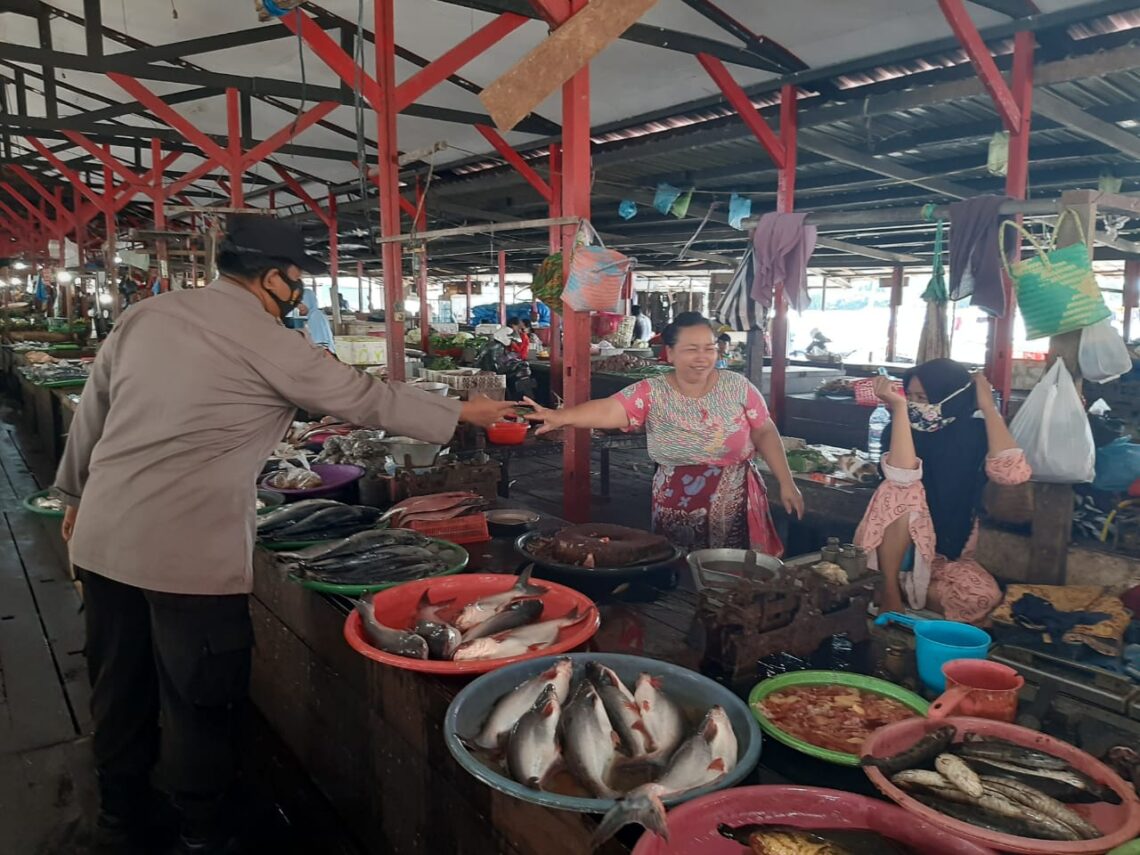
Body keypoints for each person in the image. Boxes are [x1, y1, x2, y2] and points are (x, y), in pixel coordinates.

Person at [55, 215, 515, 855]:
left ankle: (118, 821)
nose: (299, 293)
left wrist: (74, 495)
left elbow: (93, 411)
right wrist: (468, 410)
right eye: (296, 281)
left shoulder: (147, 316)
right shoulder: (269, 339)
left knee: (119, 688)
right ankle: (203, 830)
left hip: (104, 539)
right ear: (272, 278)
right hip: (189, 555)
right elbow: (365, 399)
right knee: (199, 702)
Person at [524, 312, 804, 553]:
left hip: (736, 500)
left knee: (733, 575)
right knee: (676, 575)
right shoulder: (652, 391)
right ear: (669, 353)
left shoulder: (738, 386)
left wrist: (786, 482)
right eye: (691, 349)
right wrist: (559, 417)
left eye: (709, 348)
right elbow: (610, 409)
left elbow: (764, 431)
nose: (702, 357)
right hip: (674, 502)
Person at [854, 359, 1031, 624]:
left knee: (983, 599)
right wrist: (899, 408)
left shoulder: (976, 433)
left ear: (951, 396)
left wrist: (987, 406)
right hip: (896, 548)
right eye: (911, 396)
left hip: (942, 554)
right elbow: (902, 475)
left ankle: (902, 590)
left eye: (924, 397)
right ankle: (890, 588)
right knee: (904, 490)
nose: (916, 404)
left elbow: (1013, 473)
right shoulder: (898, 427)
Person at [298, 287, 336, 354]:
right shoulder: (316, 314)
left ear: (309, 301)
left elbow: (321, 344)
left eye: (302, 303)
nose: (299, 307)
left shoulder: (315, 316)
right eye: (297, 304)